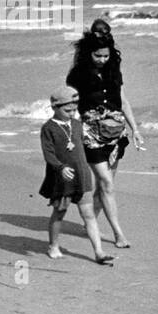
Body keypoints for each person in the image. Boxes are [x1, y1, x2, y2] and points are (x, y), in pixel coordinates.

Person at [66, 19, 145, 248]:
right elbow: (70, 107)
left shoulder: (113, 72)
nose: (102, 60)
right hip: (90, 135)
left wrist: (135, 129)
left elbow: (123, 101)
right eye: (98, 56)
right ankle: (118, 234)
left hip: (115, 135)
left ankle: (90, 221)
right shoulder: (77, 76)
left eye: (106, 56)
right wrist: (69, 135)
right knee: (107, 183)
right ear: (89, 53)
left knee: (104, 187)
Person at [39, 87, 114, 265]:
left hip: (82, 176)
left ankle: (99, 252)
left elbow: (86, 146)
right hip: (62, 179)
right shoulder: (48, 128)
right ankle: (53, 246)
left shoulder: (77, 124)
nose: (72, 113)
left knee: (89, 215)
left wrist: (106, 151)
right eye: (67, 111)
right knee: (59, 213)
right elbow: (48, 154)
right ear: (54, 107)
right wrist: (60, 167)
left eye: (74, 110)